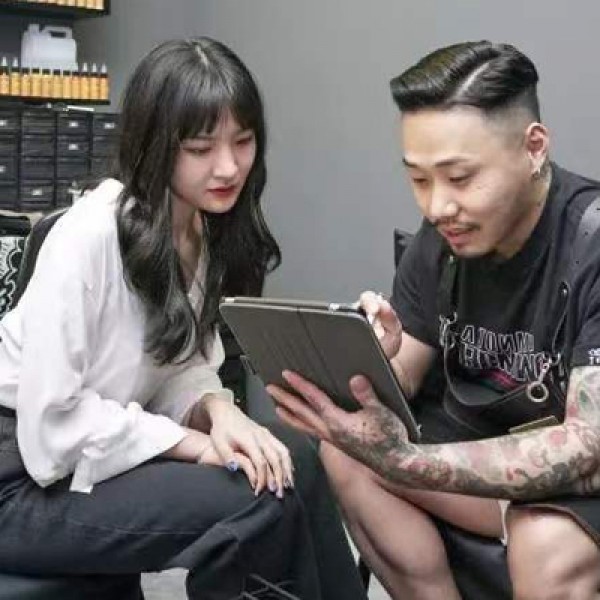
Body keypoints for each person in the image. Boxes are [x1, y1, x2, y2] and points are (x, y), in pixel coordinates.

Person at [0, 37, 367, 600]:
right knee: (253, 500)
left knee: (293, 459)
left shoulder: (199, 230)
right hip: (23, 479)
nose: (229, 167)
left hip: (92, 452)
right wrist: (196, 445)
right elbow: (52, 428)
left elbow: (178, 368)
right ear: (154, 145)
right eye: (201, 148)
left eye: (243, 141)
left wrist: (220, 411)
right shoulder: (87, 236)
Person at [268, 41, 600, 600]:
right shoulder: (443, 240)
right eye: (419, 180)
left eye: (460, 178)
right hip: (471, 465)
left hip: (576, 481)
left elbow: (587, 446)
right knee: (345, 456)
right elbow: (404, 379)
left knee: (543, 541)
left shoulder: (589, 244)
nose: (437, 207)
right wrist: (375, 357)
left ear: (533, 147)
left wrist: (408, 461)